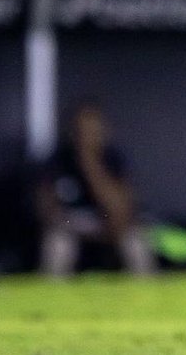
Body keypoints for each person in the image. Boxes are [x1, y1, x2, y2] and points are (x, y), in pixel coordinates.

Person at [36, 101, 156, 276]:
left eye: (93, 130)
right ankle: (53, 292)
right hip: (72, 224)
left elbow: (121, 209)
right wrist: (68, 224)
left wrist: (90, 163)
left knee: (135, 240)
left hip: (109, 223)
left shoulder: (114, 159)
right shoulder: (58, 160)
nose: (88, 135)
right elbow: (47, 209)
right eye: (83, 130)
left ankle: (146, 292)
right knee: (58, 243)